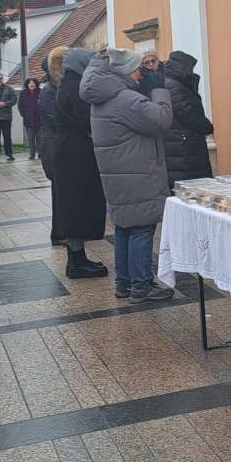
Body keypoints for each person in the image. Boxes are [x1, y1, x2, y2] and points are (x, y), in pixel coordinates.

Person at [80, 48, 175, 302]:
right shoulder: (124, 99)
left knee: (124, 228)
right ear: (123, 71)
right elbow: (162, 119)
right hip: (138, 173)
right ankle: (142, 286)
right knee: (142, 228)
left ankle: (124, 283)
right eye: (137, 69)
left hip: (119, 174)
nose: (140, 74)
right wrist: (159, 89)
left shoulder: (104, 96)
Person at [52, 48, 108, 278]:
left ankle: (78, 258)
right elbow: (87, 120)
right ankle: (76, 263)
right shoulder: (76, 88)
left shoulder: (67, 84)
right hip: (75, 154)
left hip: (69, 151)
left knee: (74, 206)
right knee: (77, 206)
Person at [162, 50, 214, 186]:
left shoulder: (171, 83)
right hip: (183, 149)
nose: (192, 71)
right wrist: (207, 126)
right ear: (183, 67)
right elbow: (188, 114)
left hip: (181, 147)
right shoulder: (174, 86)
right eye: (190, 68)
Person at [38, 48, 67, 246]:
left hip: (56, 141)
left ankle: (62, 231)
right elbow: (53, 119)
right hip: (52, 143)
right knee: (59, 189)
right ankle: (59, 233)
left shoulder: (55, 89)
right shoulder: (48, 91)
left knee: (62, 190)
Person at [18, 78, 41, 159]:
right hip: (28, 120)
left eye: (33, 83)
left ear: (36, 84)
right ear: (27, 84)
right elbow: (20, 106)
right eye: (30, 83)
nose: (31, 84)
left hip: (39, 120)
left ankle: (40, 153)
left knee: (39, 138)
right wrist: (25, 115)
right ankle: (32, 154)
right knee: (30, 138)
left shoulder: (41, 92)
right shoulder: (23, 93)